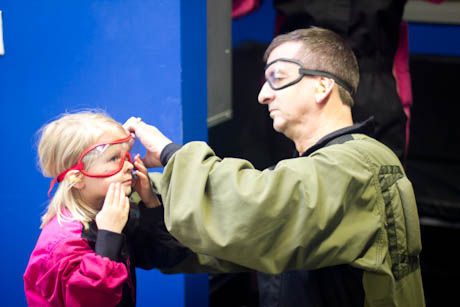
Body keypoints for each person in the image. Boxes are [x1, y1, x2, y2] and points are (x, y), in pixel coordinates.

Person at [125, 27, 425, 306]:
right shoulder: (323, 169)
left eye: (277, 78)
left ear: (322, 86)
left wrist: (170, 154)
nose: (263, 95)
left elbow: (254, 207)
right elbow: (233, 239)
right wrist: (141, 207)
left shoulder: (358, 164)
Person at [23, 111, 192, 306]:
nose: (128, 165)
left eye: (126, 155)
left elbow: (169, 257)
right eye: (113, 159)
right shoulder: (63, 243)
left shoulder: (113, 213)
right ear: (76, 178)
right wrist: (109, 236)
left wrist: (151, 205)